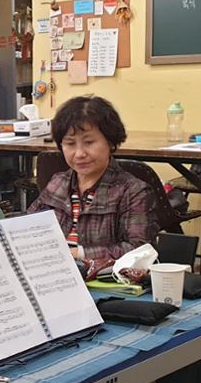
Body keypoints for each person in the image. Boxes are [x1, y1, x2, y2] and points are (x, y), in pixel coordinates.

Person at [28, 95, 157, 265]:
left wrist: (79, 253)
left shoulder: (133, 191)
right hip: (53, 270)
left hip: (101, 276)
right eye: (70, 144)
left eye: (89, 142)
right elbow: (28, 226)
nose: (79, 153)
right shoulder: (58, 183)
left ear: (110, 142)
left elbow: (139, 248)